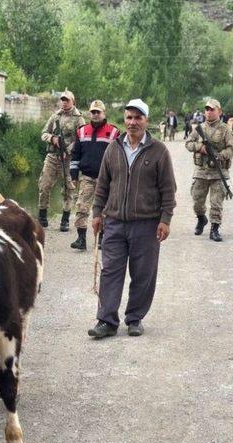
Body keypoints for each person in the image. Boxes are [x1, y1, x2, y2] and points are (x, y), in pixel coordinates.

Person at [87, 99, 176, 339]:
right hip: (114, 222)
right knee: (111, 271)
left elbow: (168, 190)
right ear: (124, 119)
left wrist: (165, 219)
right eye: (129, 117)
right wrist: (97, 213)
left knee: (143, 273)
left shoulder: (158, 151)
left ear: (146, 120)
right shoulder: (113, 148)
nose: (132, 122)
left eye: (138, 118)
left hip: (146, 224)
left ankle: (135, 318)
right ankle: (106, 320)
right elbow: (102, 184)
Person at [69, 100, 119, 251]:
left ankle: (102, 238)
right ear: (89, 113)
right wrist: (73, 175)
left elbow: (119, 157)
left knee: (105, 209)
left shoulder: (114, 132)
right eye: (93, 112)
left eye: (98, 112)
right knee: (81, 207)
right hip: (87, 177)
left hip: (106, 179)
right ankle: (81, 238)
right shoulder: (82, 131)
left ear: (104, 113)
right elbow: (75, 154)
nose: (95, 115)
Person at [185, 99, 233, 242]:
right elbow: (188, 144)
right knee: (197, 199)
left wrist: (220, 156)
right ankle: (201, 219)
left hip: (218, 172)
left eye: (212, 109)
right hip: (201, 171)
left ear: (219, 111)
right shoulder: (199, 128)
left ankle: (215, 229)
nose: (208, 112)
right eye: (207, 109)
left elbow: (232, 148)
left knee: (216, 202)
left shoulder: (225, 129)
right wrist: (200, 148)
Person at [38, 90, 86, 231]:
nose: (64, 102)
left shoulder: (79, 119)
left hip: (69, 160)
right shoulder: (55, 116)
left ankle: (65, 219)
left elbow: (81, 139)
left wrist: (69, 150)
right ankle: (42, 216)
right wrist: (52, 139)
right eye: (62, 100)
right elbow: (43, 133)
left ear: (73, 101)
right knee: (44, 185)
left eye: (67, 100)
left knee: (68, 189)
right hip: (53, 156)